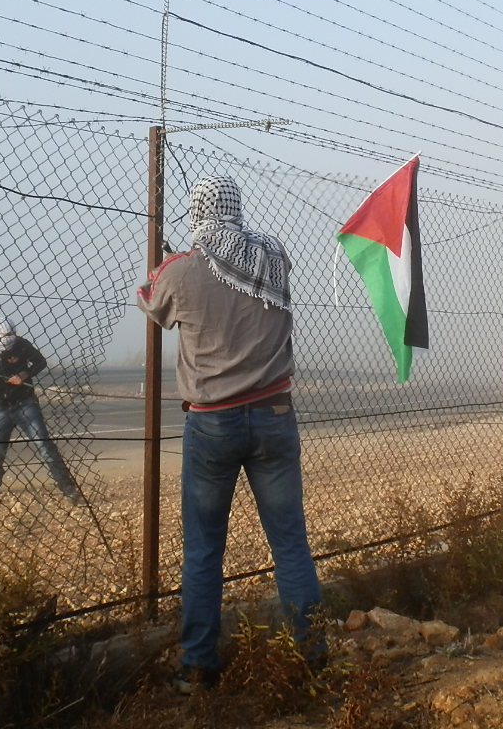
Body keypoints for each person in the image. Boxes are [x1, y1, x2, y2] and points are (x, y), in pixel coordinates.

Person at [137, 175, 323, 693]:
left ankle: (197, 669)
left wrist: (169, 261)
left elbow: (151, 301)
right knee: (290, 544)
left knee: (202, 551)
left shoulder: (181, 270)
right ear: (237, 206)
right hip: (275, 416)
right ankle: (313, 657)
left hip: (212, 423)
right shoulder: (273, 256)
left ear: (197, 209)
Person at [0, 317, 83, 503]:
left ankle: (68, 488)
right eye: (4, 337)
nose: (8, 340)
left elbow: (40, 362)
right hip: (3, 408)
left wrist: (24, 374)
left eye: (11, 336)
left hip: (26, 403)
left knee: (44, 446)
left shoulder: (21, 345)